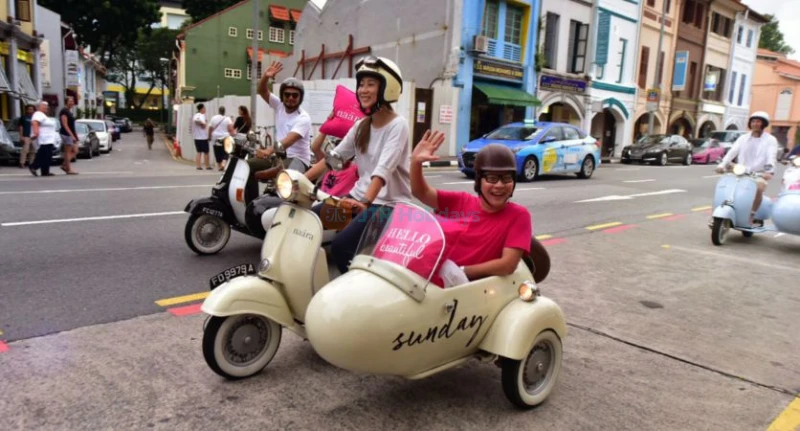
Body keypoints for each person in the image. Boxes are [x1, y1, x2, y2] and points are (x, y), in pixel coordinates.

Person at [307, 56, 411, 274]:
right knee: (309, 222)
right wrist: (299, 181)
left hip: (386, 206)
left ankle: (357, 298)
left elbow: (383, 170)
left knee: (343, 247)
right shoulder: (361, 126)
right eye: (361, 84)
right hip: (355, 200)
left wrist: (365, 201)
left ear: (387, 88)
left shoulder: (398, 126)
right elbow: (333, 159)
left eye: (371, 84)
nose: (363, 90)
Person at [411, 140, 533, 284]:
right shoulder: (460, 201)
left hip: (469, 290)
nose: (499, 185)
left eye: (506, 179)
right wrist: (415, 162)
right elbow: (421, 192)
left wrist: (459, 272)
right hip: (430, 279)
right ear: (478, 181)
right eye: (492, 178)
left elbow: (507, 265)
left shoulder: (518, 215)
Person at [716, 111, 779, 225]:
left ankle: (752, 213)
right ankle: (726, 206)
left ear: (763, 124)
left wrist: (769, 172)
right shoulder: (743, 138)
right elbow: (732, 152)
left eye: (758, 121)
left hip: (759, 173)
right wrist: (722, 165)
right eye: (753, 121)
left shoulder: (770, 140)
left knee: (759, 188)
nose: (755, 124)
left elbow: (771, 156)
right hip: (741, 170)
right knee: (726, 183)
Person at [251, 61, 312, 176]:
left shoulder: (303, 117)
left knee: (281, 177)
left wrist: (268, 150)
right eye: (287, 94)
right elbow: (262, 90)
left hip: (298, 160)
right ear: (282, 96)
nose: (290, 98)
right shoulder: (280, 106)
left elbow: (288, 141)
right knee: (248, 166)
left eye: (295, 95)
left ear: (300, 97)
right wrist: (266, 77)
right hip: (279, 156)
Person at [29, 101, 59, 177]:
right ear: (38, 107)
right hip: (44, 139)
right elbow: (35, 122)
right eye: (44, 106)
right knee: (43, 154)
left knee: (48, 155)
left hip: (49, 139)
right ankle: (33, 166)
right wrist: (36, 133)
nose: (46, 107)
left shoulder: (43, 115)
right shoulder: (38, 114)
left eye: (47, 106)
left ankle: (45, 171)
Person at [208, 106, 235, 171]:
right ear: (224, 111)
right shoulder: (227, 119)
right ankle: (224, 162)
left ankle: (219, 166)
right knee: (226, 150)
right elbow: (230, 129)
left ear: (219, 111)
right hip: (225, 136)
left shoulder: (213, 118)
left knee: (217, 150)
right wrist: (232, 135)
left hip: (215, 137)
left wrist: (209, 136)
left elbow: (210, 128)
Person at [59, 96, 79, 175]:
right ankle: (69, 169)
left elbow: (72, 125)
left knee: (76, 150)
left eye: (73, 101)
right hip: (66, 134)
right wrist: (71, 135)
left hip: (71, 133)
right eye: (70, 101)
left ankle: (64, 165)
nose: (72, 103)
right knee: (68, 152)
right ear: (66, 102)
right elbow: (65, 125)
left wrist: (75, 135)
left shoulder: (69, 111)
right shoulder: (64, 111)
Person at [192, 103, 211, 170]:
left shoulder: (197, 115)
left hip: (197, 137)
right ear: (201, 109)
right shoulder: (200, 115)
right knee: (206, 152)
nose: (205, 109)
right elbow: (196, 120)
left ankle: (198, 166)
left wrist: (203, 123)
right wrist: (203, 124)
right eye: (204, 108)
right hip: (202, 137)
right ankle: (207, 165)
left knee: (199, 152)